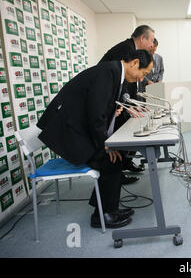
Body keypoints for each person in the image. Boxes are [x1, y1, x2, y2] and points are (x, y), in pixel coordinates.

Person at [37, 50, 153, 229]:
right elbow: (95, 115)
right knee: (110, 160)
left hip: (77, 127)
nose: (140, 78)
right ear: (135, 63)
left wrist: (112, 116)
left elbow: (96, 106)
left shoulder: (114, 72)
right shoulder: (109, 72)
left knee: (116, 158)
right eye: (143, 73)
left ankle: (109, 208)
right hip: (68, 132)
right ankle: (102, 215)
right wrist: (107, 146)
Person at [100, 25, 155, 183]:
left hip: (117, 100)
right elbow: (122, 79)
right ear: (142, 38)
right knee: (118, 136)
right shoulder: (125, 48)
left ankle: (124, 165)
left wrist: (132, 103)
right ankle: (117, 174)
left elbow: (128, 81)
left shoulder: (131, 48)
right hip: (109, 101)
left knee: (125, 131)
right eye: (150, 40)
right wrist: (127, 104)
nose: (152, 45)